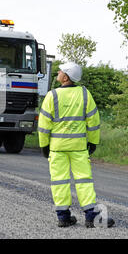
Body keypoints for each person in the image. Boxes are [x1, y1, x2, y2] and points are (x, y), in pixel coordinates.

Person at [38, 62, 115, 228]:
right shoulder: (85, 94)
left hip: (57, 148)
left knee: (59, 182)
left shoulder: (52, 96)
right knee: (84, 181)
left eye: (60, 71)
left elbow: (44, 125)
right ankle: (91, 217)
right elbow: (93, 121)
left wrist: (44, 146)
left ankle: (63, 217)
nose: (57, 72)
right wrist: (93, 142)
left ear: (65, 77)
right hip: (79, 147)